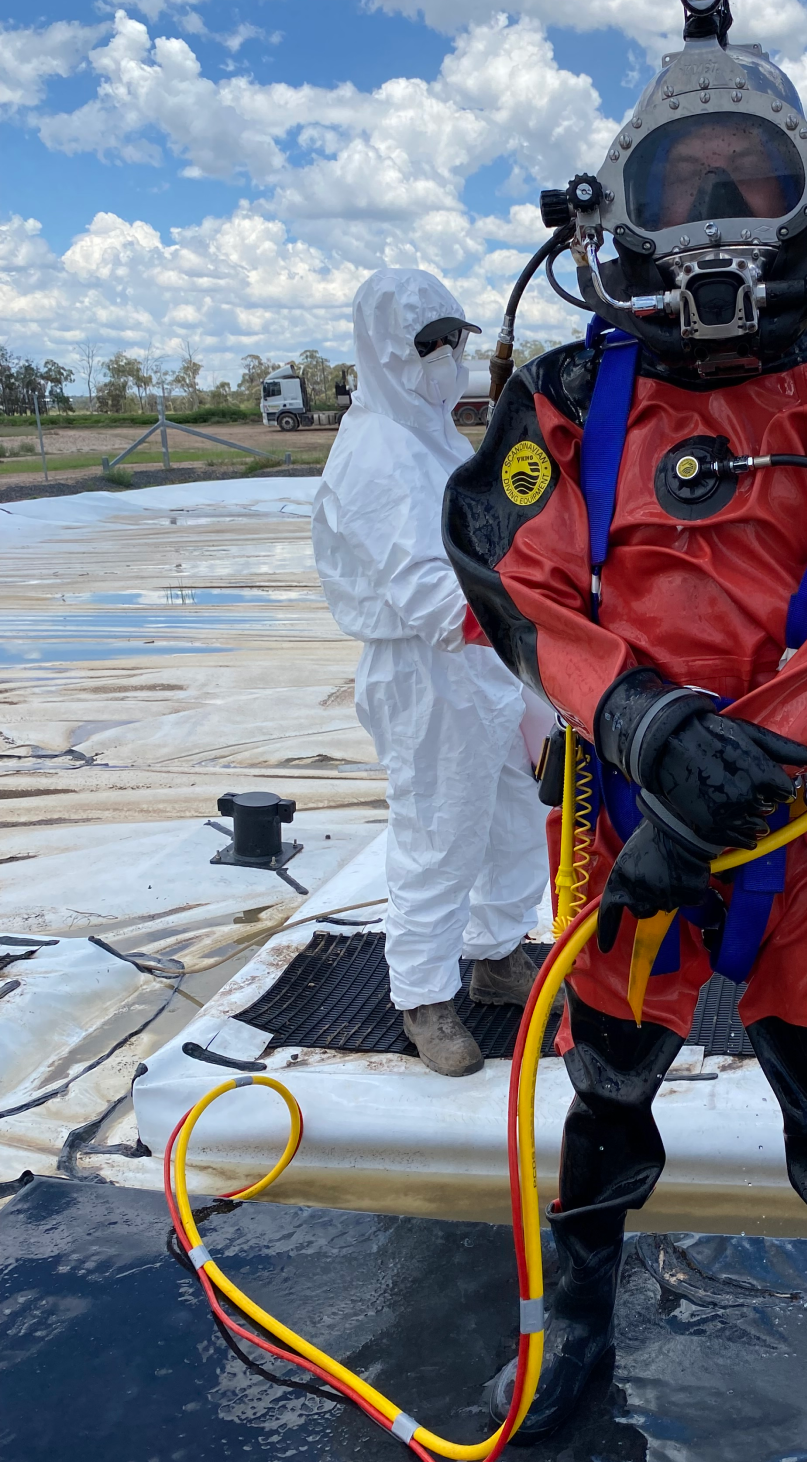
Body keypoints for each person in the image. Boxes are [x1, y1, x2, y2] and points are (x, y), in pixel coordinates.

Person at [444, 0, 807, 1456]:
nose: (727, 204)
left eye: (756, 176)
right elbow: (509, 570)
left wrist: (750, 775)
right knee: (607, 1087)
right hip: (626, 823)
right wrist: (654, 733)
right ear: (624, 209)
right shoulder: (560, 401)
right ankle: (577, 1332)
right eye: (693, 178)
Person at [313, 268, 549, 1077]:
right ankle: (421, 996)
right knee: (439, 835)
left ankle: (495, 955)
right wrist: (552, 631)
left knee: (515, 817)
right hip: (427, 671)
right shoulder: (375, 452)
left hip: (488, 662)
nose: (447, 359)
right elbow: (431, 597)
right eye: (428, 345)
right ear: (384, 352)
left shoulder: (436, 435)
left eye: (456, 341)